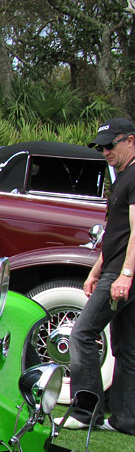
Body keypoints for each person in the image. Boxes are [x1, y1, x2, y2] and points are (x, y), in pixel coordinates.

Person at [57, 117, 135, 435]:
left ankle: (87, 411)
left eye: (110, 144)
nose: (104, 151)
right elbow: (117, 233)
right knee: (127, 347)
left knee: (82, 335)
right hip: (116, 269)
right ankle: (126, 419)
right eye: (101, 146)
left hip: (124, 272)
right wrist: (95, 271)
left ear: (130, 140)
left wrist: (125, 274)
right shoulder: (123, 177)